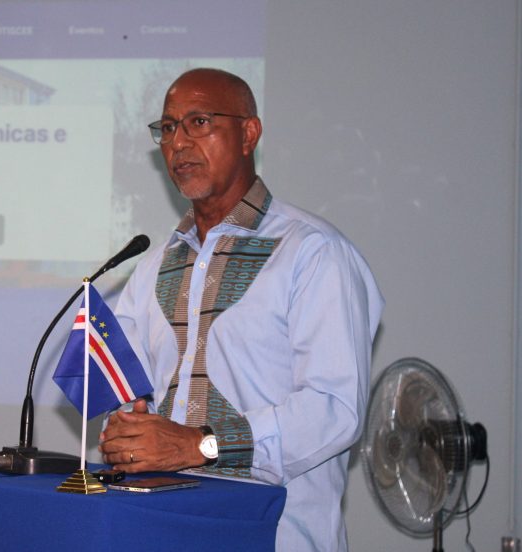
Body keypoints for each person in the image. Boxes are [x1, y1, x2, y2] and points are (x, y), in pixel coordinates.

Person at [99, 68, 384, 551]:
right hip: (162, 529)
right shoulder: (152, 266)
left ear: (249, 134)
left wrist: (200, 445)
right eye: (167, 128)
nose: (179, 143)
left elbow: (334, 409)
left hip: (276, 534)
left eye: (199, 122)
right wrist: (127, 434)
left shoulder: (312, 252)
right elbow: (128, 394)